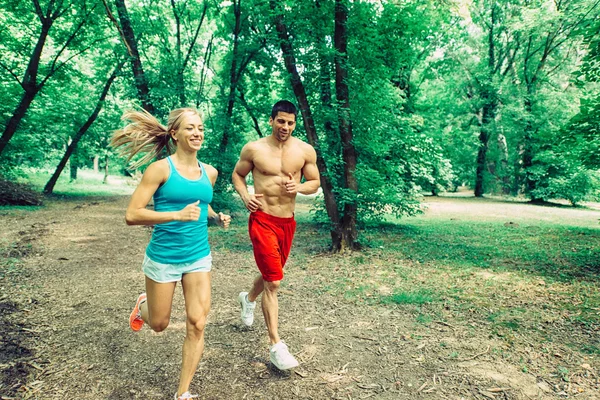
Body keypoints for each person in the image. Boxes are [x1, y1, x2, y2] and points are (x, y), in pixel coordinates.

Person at [111, 108, 231, 400]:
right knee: (160, 324)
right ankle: (143, 306)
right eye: (190, 128)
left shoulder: (210, 172)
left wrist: (215, 218)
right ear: (175, 134)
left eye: (200, 128)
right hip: (164, 257)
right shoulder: (160, 169)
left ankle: (183, 392)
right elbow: (132, 214)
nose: (197, 133)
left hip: (198, 256)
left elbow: (201, 205)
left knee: (198, 322)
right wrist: (176, 215)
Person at [232, 100, 320, 370]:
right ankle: (276, 346)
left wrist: (300, 188)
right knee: (275, 283)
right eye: (281, 121)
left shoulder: (304, 151)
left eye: (291, 122)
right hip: (262, 220)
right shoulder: (254, 149)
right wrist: (246, 196)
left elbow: (315, 182)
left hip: (287, 223)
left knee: (272, 275)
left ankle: (247, 299)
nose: (286, 127)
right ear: (271, 120)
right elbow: (237, 174)